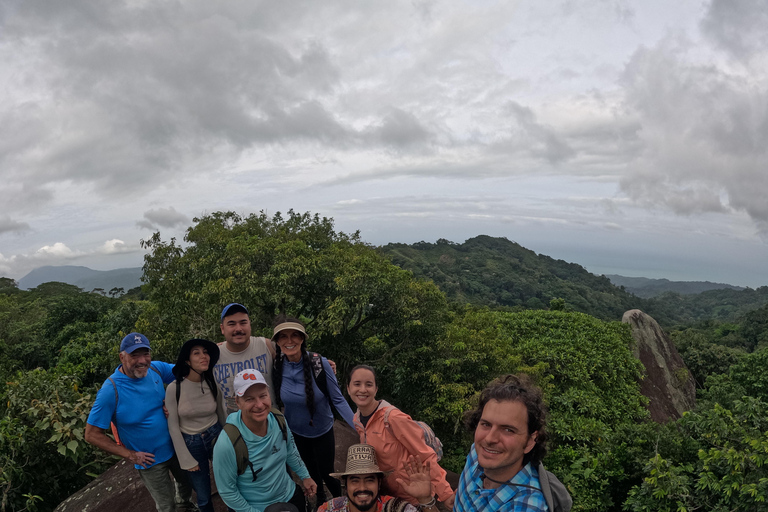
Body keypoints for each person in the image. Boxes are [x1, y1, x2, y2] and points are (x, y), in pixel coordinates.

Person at [85, 332, 196, 512]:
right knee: (166, 505)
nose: (142, 360)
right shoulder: (111, 391)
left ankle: (185, 504)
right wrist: (129, 454)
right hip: (150, 460)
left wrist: (216, 350)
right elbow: (91, 434)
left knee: (187, 483)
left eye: (146, 354)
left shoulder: (156, 370)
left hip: (176, 445)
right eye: (134, 355)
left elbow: (189, 371)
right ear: (122, 357)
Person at [271, 314, 356, 505]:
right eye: (283, 336)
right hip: (296, 432)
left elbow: (338, 399)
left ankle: (341, 503)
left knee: (328, 472)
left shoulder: (319, 364)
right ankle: (321, 501)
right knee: (309, 470)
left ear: (302, 338)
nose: (289, 341)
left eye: (294, 335)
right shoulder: (277, 365)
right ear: (277, 341)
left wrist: (360, 427)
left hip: (322, 430)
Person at [347, 365, 454, 508]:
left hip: (413, 495)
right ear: (348, 389)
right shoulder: (357, 420)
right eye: (357, 384)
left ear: (376, 389)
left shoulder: (392, 418)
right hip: (386, 495)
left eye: (369, 384)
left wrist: (446, 493)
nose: (362, 389)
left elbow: (425, 455)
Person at [213, 368, 317, 512]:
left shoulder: (278, 420)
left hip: (289, 494)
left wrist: (305, 476)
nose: (259, 405)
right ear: (237, 402)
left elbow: (290, 450)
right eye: (249, 399)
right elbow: (227, 491)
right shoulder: (228, 442)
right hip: (257, 507)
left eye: (263, 396)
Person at [454, 374, 549, 512]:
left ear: (530, 441)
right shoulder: (476, 454)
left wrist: (428, 504)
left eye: (508, 430)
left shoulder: (525, 506)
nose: (489, 439)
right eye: (486, 424)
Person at [166, 338, 227, 512]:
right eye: (197, 353)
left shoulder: (212, 382)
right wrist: (186, 459)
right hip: (192, 442)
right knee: (203, 494)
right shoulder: (174, 388)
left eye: (205, 352)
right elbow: (173, 426)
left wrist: (229, 439)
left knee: (228, 483)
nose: (203, 356)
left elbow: (221, 413)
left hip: (216, 434)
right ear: (187, 361)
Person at [320, 444, 438, 512]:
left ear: (379, 483)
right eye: (355, 481)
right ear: (346, 485)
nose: (362, 487)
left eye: (369, 480)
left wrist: (425, 499)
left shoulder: (396, 508)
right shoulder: (329, 509)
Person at [214, 303, 276, 414]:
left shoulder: (267, 346)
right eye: (231, 324)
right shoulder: (213, 355)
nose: (238, 329)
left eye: (243, 323)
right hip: (231, 423)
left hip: (269, 421)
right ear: (222, 328)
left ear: (249, 325)